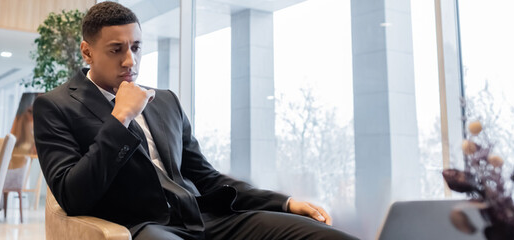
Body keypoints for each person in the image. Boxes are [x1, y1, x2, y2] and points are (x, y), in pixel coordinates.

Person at [33, 2, 357, 239]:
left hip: (206, 218)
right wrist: (121, 118)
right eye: (117, 49)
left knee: (326, 236)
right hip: (145, 227)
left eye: (136, 47)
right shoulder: (55, 106)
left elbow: (206, 178)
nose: (130, 60)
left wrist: (283, 202)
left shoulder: (165, 102)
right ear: (87, 53)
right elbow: (72, 196)